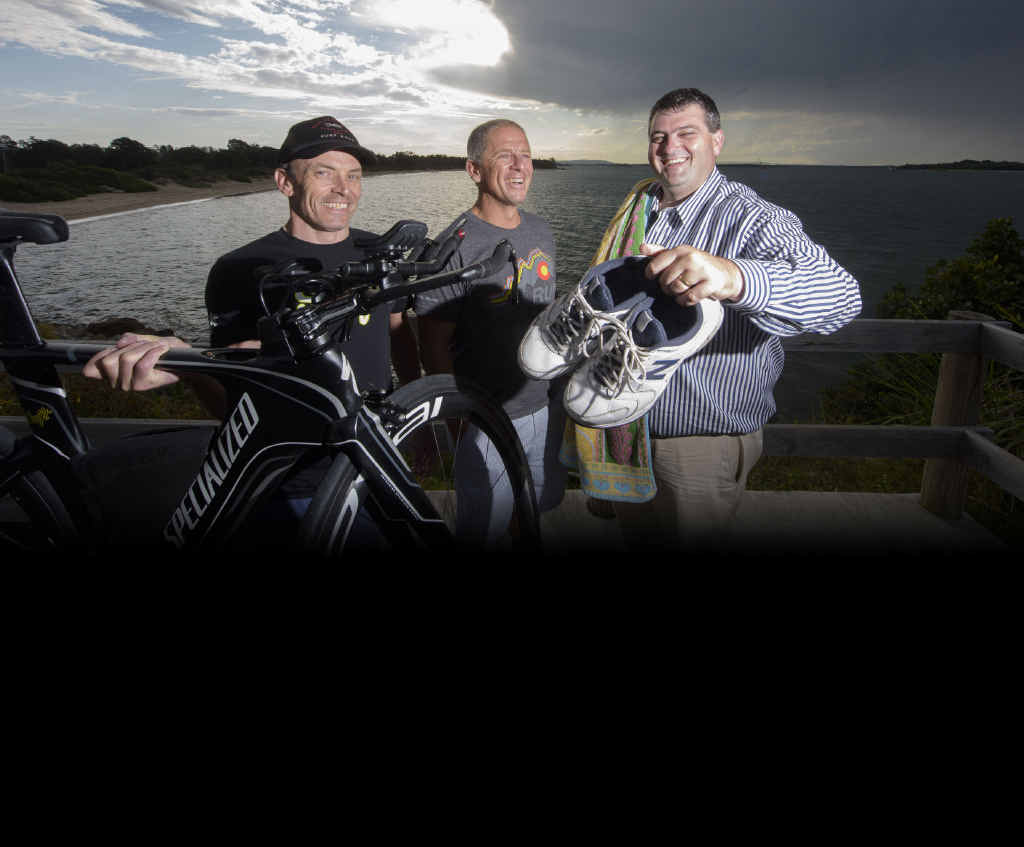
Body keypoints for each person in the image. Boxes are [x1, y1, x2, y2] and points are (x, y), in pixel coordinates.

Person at [83, 116, 419, 545]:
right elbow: (230, 395)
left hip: (381, 463)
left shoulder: (381, 255)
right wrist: (189, 361)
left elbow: (397, 330)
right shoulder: (241, 269)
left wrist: (419, 417)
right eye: (324, 172)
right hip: (294, 480)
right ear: (284, 182)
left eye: (353, 175)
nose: (344, 189)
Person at [563, 88, 862, 551]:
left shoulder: (751, 217)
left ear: (717, 141)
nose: (670, 147)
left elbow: (840, 295)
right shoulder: (640, 209)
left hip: (699, 448)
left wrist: (732, 276)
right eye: (658, 137)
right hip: (626, 439)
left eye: (687, 133)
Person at [414, 119, 567, 545]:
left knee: (534, 513)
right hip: (485, 421)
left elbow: (548, 314)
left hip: (544, 407)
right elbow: (433, 342)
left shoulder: (541, 231)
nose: (521, 165)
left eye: (526, 154)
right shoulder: (455, 246)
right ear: (474, 170)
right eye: (505, 155)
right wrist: (458, 419)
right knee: (485, 529)